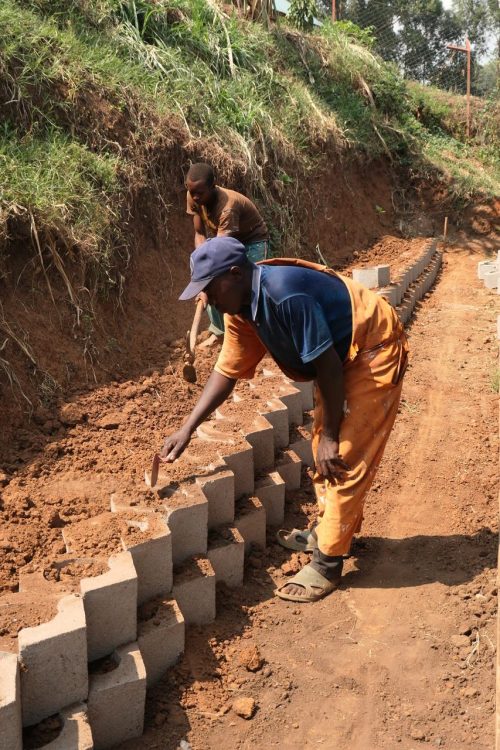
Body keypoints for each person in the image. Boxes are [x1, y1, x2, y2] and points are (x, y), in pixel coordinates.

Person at [162, 236, 409, 603]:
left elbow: (327, 365)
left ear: (234, 274)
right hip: (338, 360)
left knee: (342, 453)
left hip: (371, 347)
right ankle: (332, 531)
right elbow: (227, 372)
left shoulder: (285, 294)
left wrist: (330, 435)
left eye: (209, 289)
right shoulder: (241, 309)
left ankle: (327, 564)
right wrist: (188, 428)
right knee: (323, 446)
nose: (207, 299)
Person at [185, 162, 270, 342]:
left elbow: (220, 252)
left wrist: (207, 280)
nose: (195, 197)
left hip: (251, 242)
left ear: (212, 187)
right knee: (210, 284)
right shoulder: (193, 196)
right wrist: (202, 274)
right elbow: (199, 233)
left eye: (200, 192)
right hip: (225, 241)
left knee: (249, 288)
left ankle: (256, 333)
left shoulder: (227, 207)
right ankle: (220, 332)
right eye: (192, 192)